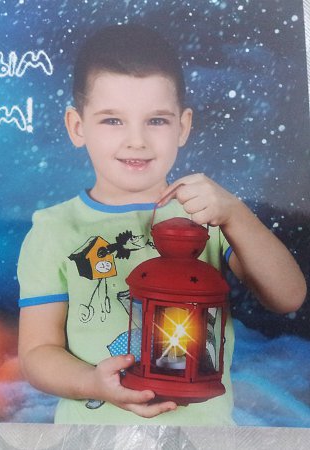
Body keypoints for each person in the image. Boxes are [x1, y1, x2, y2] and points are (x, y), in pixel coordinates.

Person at [17, 23, 306, 425]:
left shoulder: (208, 214)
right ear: (77, 126)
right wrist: (92, 383)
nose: (136, 140)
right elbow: (37, 353)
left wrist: (236, 214)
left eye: (156, 121)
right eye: (112, 120)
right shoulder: (54, 229)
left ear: (183, 126)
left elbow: (288, 296)